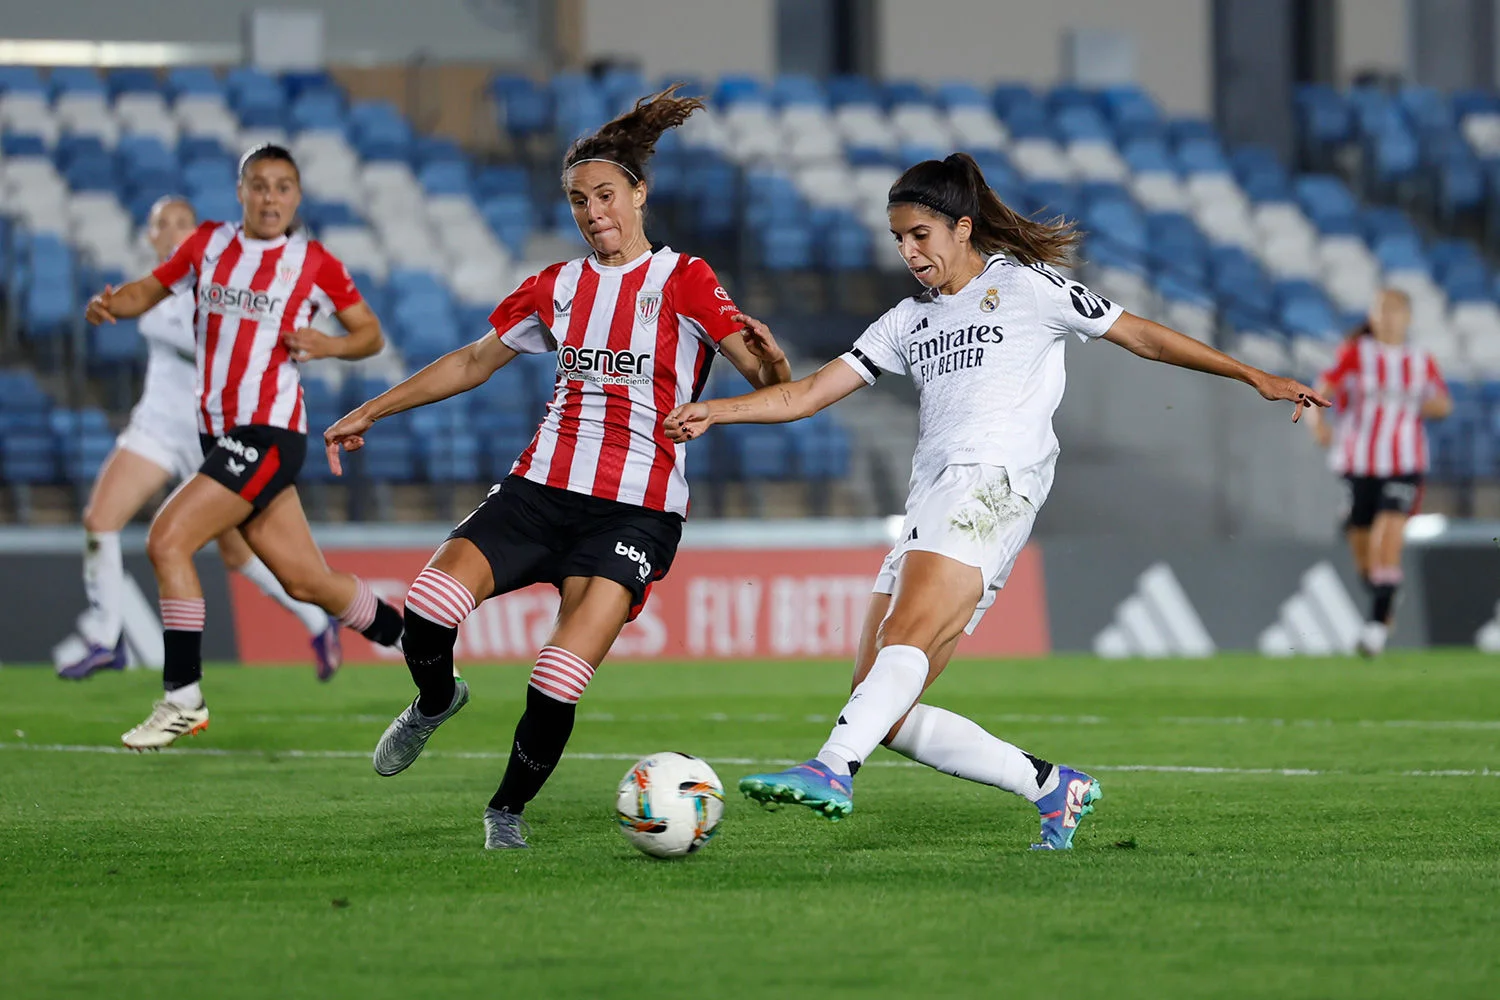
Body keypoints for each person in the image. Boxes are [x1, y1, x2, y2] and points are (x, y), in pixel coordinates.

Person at [663, 153, 1328, 850]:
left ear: (961, 227)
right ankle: (1050, 786)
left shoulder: (1028, 287)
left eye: (920, 234)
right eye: (898, 239)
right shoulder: (906, 321)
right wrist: (720, 410)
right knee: (879, 706)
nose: (908, 251)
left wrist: (1253, 374)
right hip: (931, 496)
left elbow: (1143, 337)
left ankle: (831, 768)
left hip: (993, 483)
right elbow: (808, 392)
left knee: (903, 646)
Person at [324, 85, 791, 850]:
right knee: (430, 606)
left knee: (558, 674)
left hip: (635, 511)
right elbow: (475, 361)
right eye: (578, 200)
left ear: (638, 194)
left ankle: (504, 811)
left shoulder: (686, 281)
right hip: (540, 488)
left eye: (605, 194)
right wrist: (373, 409)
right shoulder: (556, 286)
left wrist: (774, 364)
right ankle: (435, 701)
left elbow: (774, 391)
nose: (593, 211)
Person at [83, 144, 407, 750]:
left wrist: (326, 344)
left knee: (167, 538)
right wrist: (109, 304)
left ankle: (182, 697)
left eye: (283, 187)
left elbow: (369, 334)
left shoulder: (313, 261)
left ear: (297, 197)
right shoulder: (207, 245)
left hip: (269, 432)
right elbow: (148, 291)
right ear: (241, 192)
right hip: (223, 435)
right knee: (308, 581)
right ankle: (421, 642)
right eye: (260, 186)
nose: (271, 198)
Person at [57, 196, 339, 681]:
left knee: (237, 553)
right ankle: (107, 637)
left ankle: (317, 620)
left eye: (183, 222)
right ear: (150, 236)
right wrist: (106, 306)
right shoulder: (155, 285)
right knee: (99, 519)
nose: (174, 230)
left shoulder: (221, 283)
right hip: (158, 426)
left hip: (216, 436)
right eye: (162, 223)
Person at [1305, 289, 1451, 657]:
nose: (1387, 317)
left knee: (1387, 542)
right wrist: (1317, 423)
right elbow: (1321, 389)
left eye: (1395, 310)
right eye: (1381, 310)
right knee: (1365, 557)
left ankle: (1373, 630)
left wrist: (1426, 403)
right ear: (1371, 316)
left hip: (1404, 464)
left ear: (1408, 317)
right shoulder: (1356, 354)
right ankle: (1387, 593)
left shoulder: (1420, 361)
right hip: (1357, 464)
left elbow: (1443, 404)